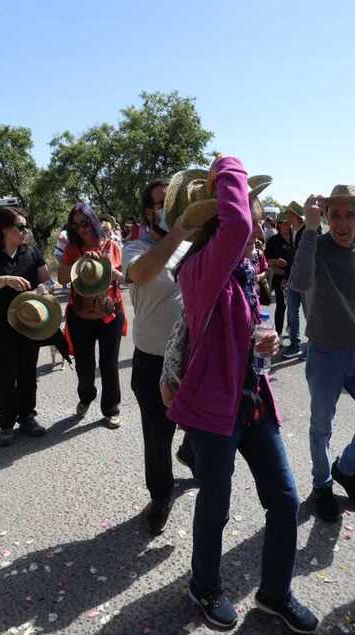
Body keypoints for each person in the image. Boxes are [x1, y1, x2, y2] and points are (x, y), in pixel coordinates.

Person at [166, 156, 318, 635]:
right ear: (226, 215)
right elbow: (236, 226)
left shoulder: (245, 269)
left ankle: (274, 593)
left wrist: (264, 340)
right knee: (216, 503)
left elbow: (246, 328)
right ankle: (204, 587)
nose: (259, 222)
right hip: (213, 409)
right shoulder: (199, 268)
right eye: (253, 210)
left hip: (252, 398)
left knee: (285, 499)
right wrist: (227, 165)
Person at [289, 186, 355, 523]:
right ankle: (322, 486)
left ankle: (347, 470)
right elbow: (299, 282)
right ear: (326, 217)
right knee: (322, 426)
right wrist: (310, 228)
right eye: (335, 215)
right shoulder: (315, 246)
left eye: (350, 215)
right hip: (325, 351)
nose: (342, 223)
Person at [123, 178, 197, 534]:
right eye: (160, 204)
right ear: (148, 212)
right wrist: (178, 232)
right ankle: (161, 496)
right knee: (157, 436)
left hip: (194, 359)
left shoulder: (194, 247)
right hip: (152, 360)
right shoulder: (135, 248)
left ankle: (191, 450)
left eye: (174, 203)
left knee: (201, 424)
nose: (167, 210)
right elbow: (142, 273)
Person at [0, 207, 53, 446]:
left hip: (28, 323)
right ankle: (6, 422)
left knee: (28, 373)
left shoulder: (31, 252)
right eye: (20, 226)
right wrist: (5, 280)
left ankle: (27, 416)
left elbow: (47, 280)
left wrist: (43, 289)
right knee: (5, 377)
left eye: (26, 226)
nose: (25, 231)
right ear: (5, 229)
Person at [57, 203, 126, 428]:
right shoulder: (71, 249)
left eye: (85, 223)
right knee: (84, 366)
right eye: (75, 225)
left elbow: (121, 276)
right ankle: (86, 397)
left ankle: (111, 408)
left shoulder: (111, 246)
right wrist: (80, 263)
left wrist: (108, 267)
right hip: (80, 316)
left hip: (109, 314)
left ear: (93, 220)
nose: (81, 229)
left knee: (109, 365)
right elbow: (62, 278)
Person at [282, 201, 308, 358]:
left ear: (295, 215)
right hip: (294, 278)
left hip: (306, 280)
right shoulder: (295, 231)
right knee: (292, 311)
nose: (287, 217)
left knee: (308, 314)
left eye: (288, 214)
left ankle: (311, 347)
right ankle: (295, 344)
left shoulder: (308, 231)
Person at [264, 214, 295, 339]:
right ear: (279, 225)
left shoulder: (296, 238)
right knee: (281, 305)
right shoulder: (273, 241)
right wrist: (275, 261)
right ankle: (278, 332)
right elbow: (265, 260)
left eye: (288, 224)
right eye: (283, 224)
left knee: (294, 306)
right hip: (279, 278)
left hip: (295, 277)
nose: (286, 226)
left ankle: (292, 330)